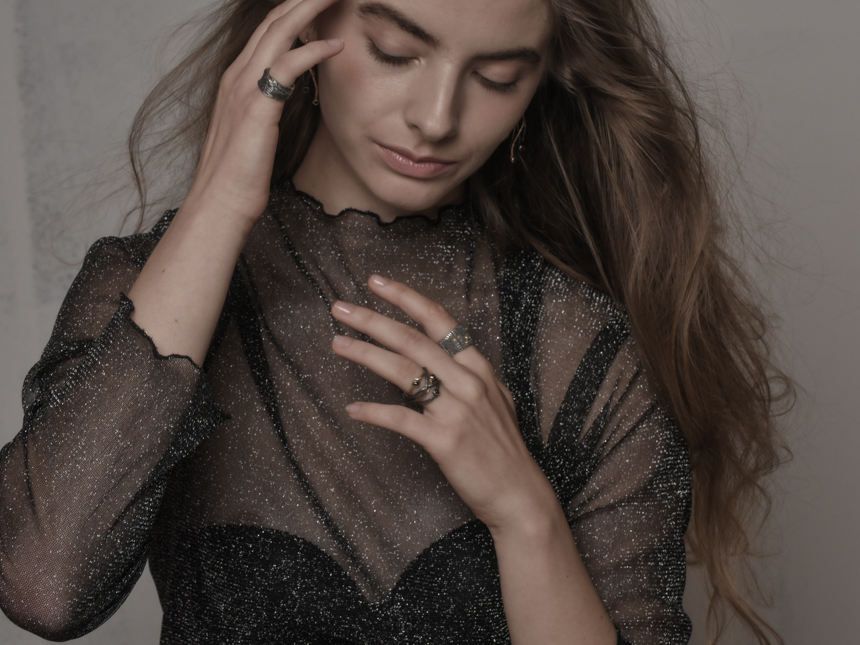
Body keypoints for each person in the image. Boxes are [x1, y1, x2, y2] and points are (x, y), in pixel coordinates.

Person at [0, 0, 791, 643]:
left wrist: (525, 516)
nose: (438, 118)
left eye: (497, 76)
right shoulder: (150, 291)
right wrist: (218, 201)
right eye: (396, 51)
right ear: (304, 24)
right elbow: (44, 585)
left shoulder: (580, 346)